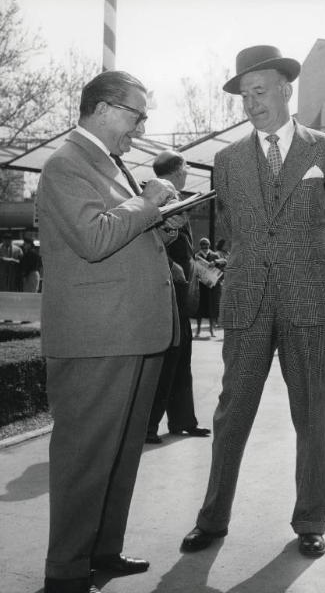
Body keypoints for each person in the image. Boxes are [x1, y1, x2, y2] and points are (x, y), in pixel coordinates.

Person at [182, 45, 325, 557]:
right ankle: (212, 519)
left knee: (312, 415)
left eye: (260, 92)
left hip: (313, 299)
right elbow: (232, 228)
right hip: (248, 299)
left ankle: (311, 521)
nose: (252, 103)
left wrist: (308, 267)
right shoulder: (227, 160)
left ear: (285, 89)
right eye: (244, 96)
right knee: (232, 413)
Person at [38, 70, 185, 593]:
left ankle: (102, 550)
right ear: (102, 109)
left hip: (132, 332)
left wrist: (159, 219)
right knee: (85, 459)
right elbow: (94, 238)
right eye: (135, 114)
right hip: (98, 339)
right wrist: (147, 204)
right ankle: (67, 571)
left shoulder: (109, 163)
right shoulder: (65, 165)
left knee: (120, 454)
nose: (141, 126)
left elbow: (120, 230)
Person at [146, 150, 211, 443]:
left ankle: (183, 420)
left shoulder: (176, 199)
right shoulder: (155, 196)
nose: (187, 172)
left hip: (180, 292)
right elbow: (152, 242)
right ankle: (147, 426)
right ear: (178, 169)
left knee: (181, 356)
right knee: (168, 358)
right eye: (185, 167)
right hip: (165, 291)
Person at [194, 237, 222, 337]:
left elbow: (224, 262)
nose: (205, 246)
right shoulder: (196, 256)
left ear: (209, 245)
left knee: (212, 308)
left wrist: (215, 262)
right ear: (200, 245)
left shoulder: (215, 255)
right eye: (203, 244)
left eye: (207, 244)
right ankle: (198, 330)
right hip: (200, 286)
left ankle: (211, 329)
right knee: (200, 309)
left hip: (211, 286)